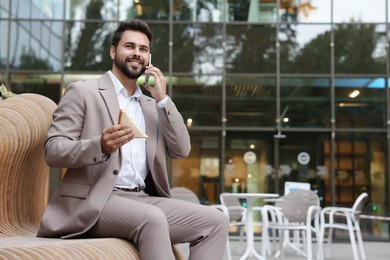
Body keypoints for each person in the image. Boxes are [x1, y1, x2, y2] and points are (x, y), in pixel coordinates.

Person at [37, 19, 229, 260]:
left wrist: (163, 99)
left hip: (142, 198)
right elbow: (53, 151)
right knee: (152, 218)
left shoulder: (152, 105)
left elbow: (182, 149)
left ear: (149, 58)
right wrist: (100, 145)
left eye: (143, 49)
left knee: (216, 221)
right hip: (95, 200)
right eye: (130, 46)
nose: (137, 53)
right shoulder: (83, 91)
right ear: (113, 50)